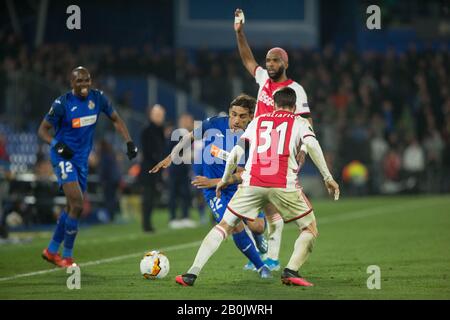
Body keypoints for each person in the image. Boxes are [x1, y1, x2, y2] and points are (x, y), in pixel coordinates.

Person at [175, 87, 339, 287]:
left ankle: (191, 273)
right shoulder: (299, 122)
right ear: (294, 107)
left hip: (252, 182)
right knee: (309, 228)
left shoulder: (258, 121)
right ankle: (290, 270)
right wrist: (327, 177)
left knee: (225, 226)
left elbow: (235, 153)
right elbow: (312, 146)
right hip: (282, 183)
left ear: (275, 105)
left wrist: (224, 180)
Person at [151, 94, 271, 279]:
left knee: (258, 227)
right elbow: (189, 137)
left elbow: (242, 175)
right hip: (214, 190)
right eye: (233, 114)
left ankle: (258, 236)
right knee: (233, 226)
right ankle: (261, 267)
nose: (236, 120)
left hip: (237, 186)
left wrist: (214, 181)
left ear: (251, 118)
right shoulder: (214, 123)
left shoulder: (252, 139)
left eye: (242, 116)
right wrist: (171, 157)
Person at [234, 8, 314, 270]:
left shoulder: (294, 90)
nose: (269, 64)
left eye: (275, 60)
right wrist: (240, 32)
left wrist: (301, 150)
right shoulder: (262, 81)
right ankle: (266, 253)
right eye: (268, 60)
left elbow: (306, 121)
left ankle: (271, 257)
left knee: (269, 203)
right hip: (259, 147)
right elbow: (247, 60)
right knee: (261, 202)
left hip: (280, 150)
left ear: (285, 63)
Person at [38, 66, 138, 267]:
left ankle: (50, 250)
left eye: (87, 80)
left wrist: (128, 142)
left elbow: (116, 120)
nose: (84, 85)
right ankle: (67, 257)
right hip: (63, 157)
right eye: (79, 81)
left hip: (81, 161)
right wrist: (57, 145)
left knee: (70, 207)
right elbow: (42, 130)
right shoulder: (62, 104)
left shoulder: (98, 98)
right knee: (77, 204)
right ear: (71, 83)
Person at [167, 113, 197, 229]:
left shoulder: (188, 134)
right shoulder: (175, 134)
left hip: (184, 169)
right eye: (188, 121)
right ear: (182, 121)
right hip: (175, 169)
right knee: (173, 193)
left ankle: (185, 217)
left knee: (185, 194)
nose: (190, 123)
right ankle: (173, 218)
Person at [140, 104, 166, 232]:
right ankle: (146, 224)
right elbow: (149, 151)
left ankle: (148, 223)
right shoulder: (147, 130)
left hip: (157, 168)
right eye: (157, 115)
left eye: (161, 115)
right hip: (149, 169)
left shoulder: (160, 130)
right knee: (148, 197)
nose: (160, 117)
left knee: (153, 197)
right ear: (151, 115)